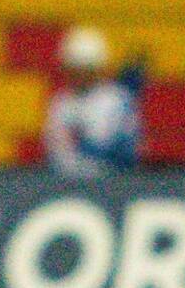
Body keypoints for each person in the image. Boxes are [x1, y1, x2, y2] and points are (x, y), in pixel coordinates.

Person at [44, 25, 139, 178]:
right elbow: (56, 151)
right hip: (67, 181)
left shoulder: (115, 100)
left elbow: (102, 149)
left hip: (114, 181)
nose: (79, 75)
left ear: (98, 69)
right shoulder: (61, 102)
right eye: (75, 69)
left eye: (85, 69)